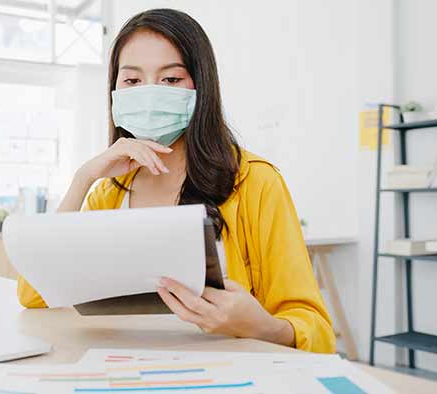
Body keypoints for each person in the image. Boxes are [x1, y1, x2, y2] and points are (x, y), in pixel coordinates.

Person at [17, 8, 335, 354]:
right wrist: (83, 178)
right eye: (132, 81)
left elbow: (316, 331)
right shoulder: (108, 192)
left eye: (171, 79)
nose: (150, 93)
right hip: (123, 370)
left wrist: (261, 326)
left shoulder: (256, 182)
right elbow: (35, 294)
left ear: (202, 86)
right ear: (114, 90)